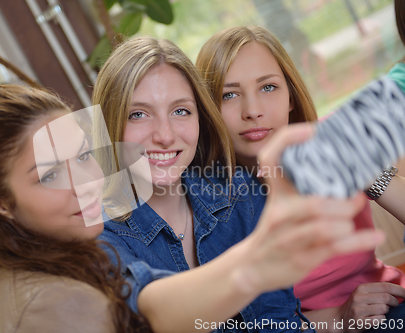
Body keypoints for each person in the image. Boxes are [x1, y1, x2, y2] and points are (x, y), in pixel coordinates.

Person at [94, 36, 383, 333]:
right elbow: (151, 314)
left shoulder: (237, 193)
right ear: (108, 125)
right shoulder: (98, 234)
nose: (165, 135)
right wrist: (256, 261)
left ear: (200, 118)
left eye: (181, 111)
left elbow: (282, 323)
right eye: (138, 114)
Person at [196, 25, 405, 332]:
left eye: (268, 87)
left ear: (291, 96)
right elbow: (233, 325)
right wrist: (339, 318)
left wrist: (366, 167)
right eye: (229, 94)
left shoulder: (328, 136)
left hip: (392, 309)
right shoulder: (210, 203)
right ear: (209, 109)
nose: (252, 110)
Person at [0, 84, 151, 333]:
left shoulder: (48, 270)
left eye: (83, 156)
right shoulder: (56, 304)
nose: (86, 183)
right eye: (51, 175)